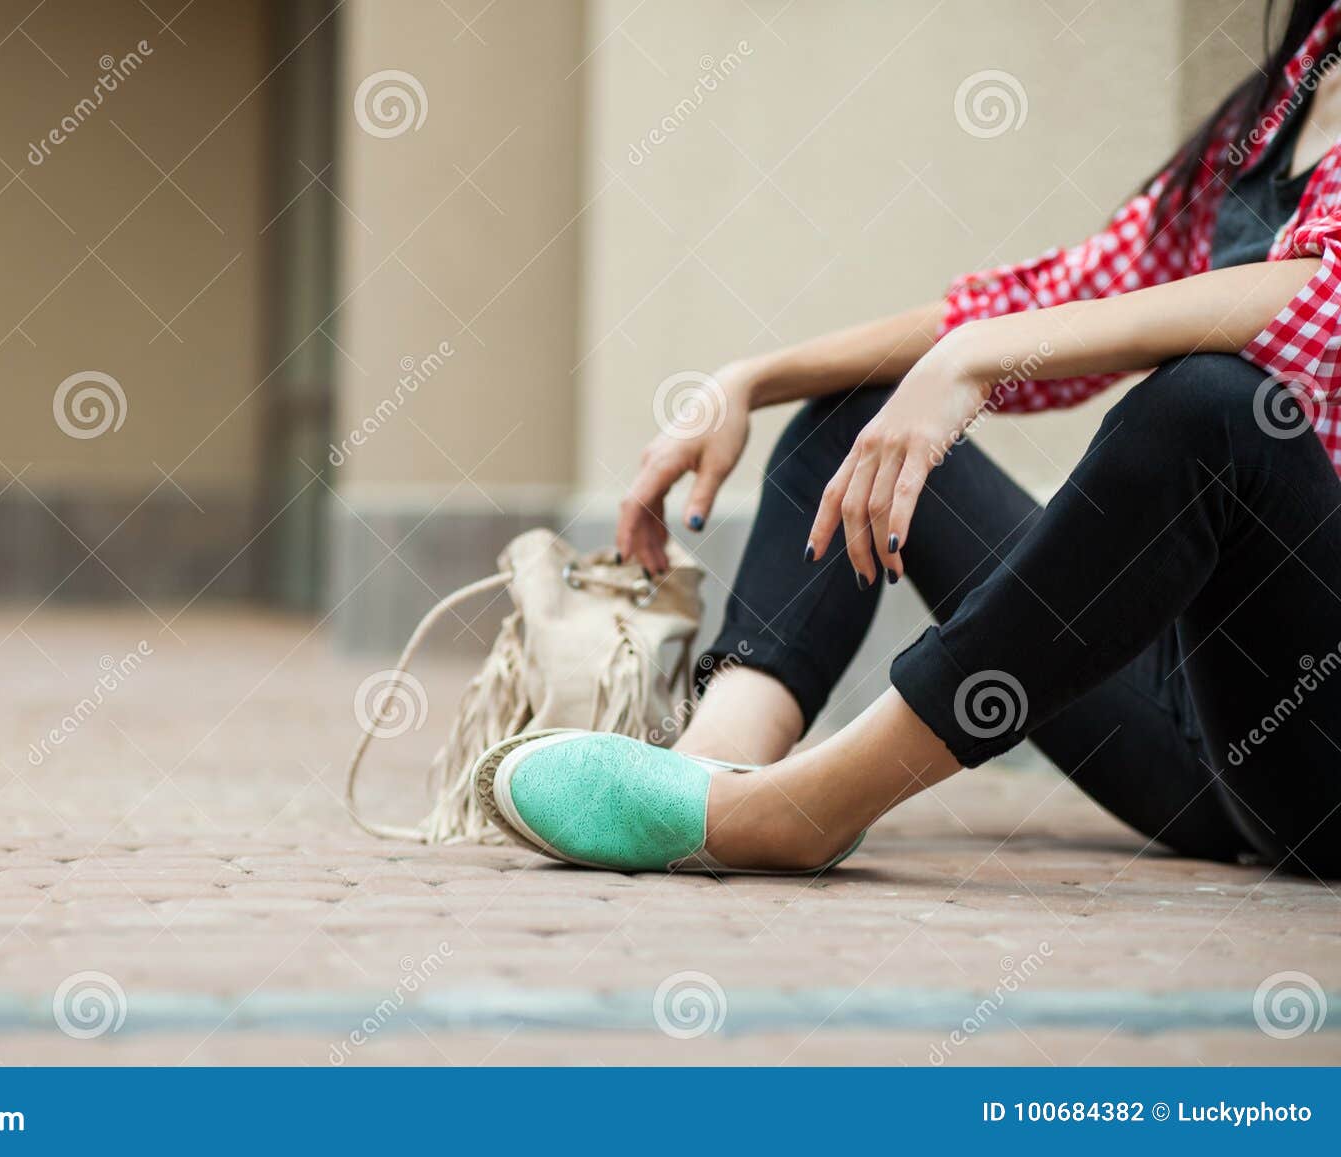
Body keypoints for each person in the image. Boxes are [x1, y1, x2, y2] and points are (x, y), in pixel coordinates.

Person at [478, 0, 1341, 880]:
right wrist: (751, 378)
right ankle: (710, 766)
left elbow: (1316, 305)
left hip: (1322, 752)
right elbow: (1055, 295)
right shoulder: (1283, 98)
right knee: (861, 411)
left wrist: (973, 358)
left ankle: (802, 809)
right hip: (1189, 737)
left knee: (1213, 407)